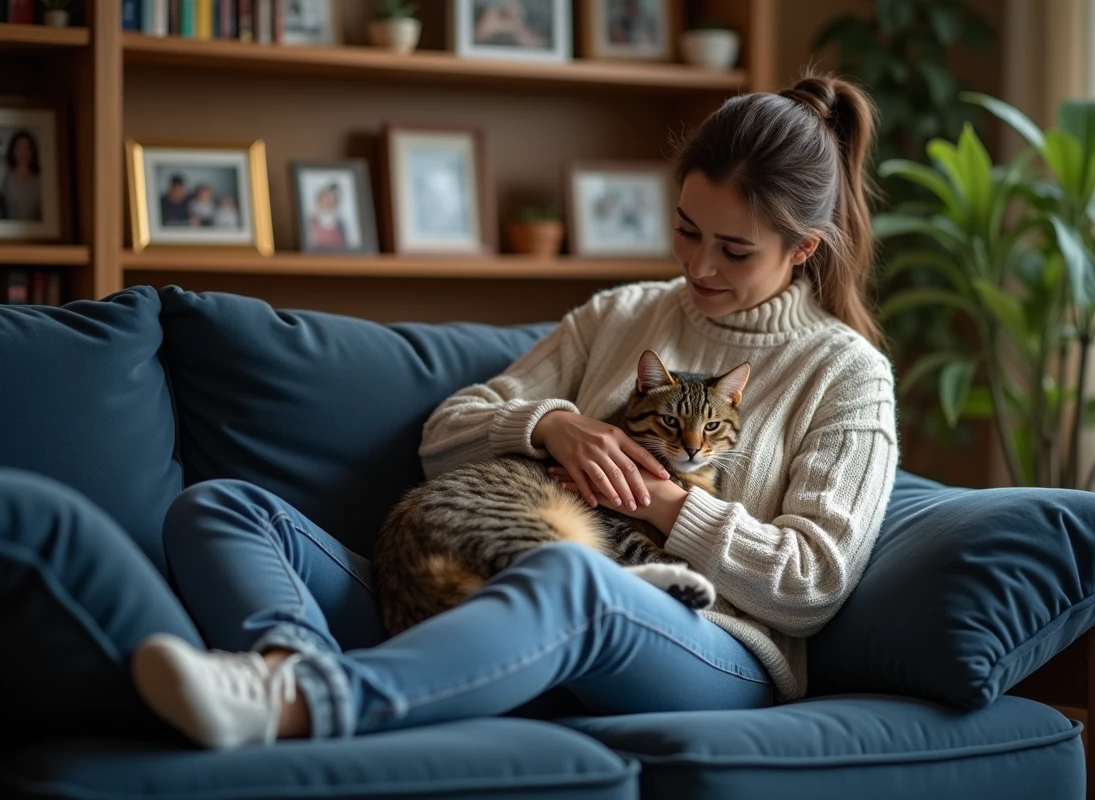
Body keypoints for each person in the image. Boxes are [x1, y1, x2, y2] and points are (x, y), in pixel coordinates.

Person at [8, 72, 900, 749]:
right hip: (517, 585)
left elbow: (813, 581)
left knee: (572, 582)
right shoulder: (624, 314)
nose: (699, 269)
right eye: (685, 231)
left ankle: (305, 708)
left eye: (734, 250)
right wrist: (548, 423)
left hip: (713, 647)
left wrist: (663, 501)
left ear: (803, 248)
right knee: (221, 505)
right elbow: (447, 435)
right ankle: (289, 658)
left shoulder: (845, 373)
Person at [1, 130, 43, 221]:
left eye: (27, 147)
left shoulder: (40, 178)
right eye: (19, 147)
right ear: (13, 150)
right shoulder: (5, 176)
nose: (23, 152)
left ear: (33, 151)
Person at [305, 182, 347, 248]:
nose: (329, 201)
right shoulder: (310, 223)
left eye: (334, 198)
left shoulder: (340, 225)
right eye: (327, 197)